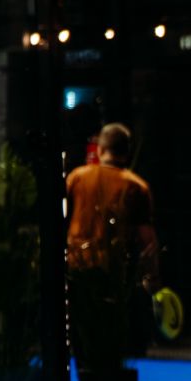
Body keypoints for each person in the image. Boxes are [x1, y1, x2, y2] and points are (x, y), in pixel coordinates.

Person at [65, 122, 158, 285]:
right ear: (127, 152)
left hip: (78, 268)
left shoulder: (77, 177)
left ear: (100, 150)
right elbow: (147, 241)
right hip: (116, 273)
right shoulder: (136, 185)